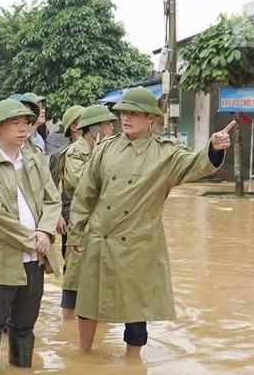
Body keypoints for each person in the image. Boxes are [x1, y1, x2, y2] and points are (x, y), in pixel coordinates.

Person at [67, 87, 234, 358]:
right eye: (124, 113)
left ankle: (133, 365)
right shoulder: (105, 149)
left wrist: (213, 149)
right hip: (100, 236)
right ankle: (83, 355)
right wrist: (76, 234)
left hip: (138, 242)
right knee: (88, 302)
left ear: (150, 118)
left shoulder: (165, 153)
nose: (127, 118)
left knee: (135, 309)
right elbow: (85, 193)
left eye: (134, 113)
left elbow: (194, 165)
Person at [0, 98, 61, 375]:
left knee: (25, 324)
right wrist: (33, 239)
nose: (23, 129)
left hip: (34, 257)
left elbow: (52, 199)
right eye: (15, 123)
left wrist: (45, 231)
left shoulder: (34, 159)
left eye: (27, 123)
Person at [60, 104, 117, 321]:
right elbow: (82, 182)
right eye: (107, 124)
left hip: (101, 223)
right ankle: (68, 329)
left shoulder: (98, 151)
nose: (112, 128)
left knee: (98, 278)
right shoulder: (77, 151)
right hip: (81, 223)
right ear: (95, 130)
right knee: (74, 278)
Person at [51, 104, 85, 264]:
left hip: (92, 217)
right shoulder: (59, 155)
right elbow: (50, 188)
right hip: (69, 215)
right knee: (72, 262)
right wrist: (56, 217)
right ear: (74, 126)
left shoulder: (97, 151)